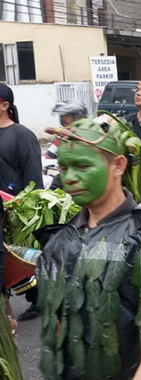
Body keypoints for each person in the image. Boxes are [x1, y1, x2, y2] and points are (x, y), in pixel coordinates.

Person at [39, 119, 141, 379]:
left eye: (83, 166)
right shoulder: (62, 240)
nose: (70, 178)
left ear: (118, 166)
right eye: (63, 168)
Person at [0, 84, 44, 322]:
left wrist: (29, 204)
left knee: (22, 257)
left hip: (17, 207)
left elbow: (33, 175)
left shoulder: (22, 134)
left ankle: (39, 299)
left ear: (5, 105)